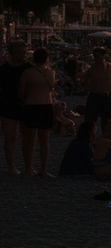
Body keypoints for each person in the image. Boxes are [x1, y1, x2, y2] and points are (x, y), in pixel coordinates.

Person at [18, 47, 56, 177]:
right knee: (44, 140)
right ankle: (43, 169)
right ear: (47, 58)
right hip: (46, 105)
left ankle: (28, 168)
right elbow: (52, 87)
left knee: (30, 139)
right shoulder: (50, 73)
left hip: (31, 105)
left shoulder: (27, 73)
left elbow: (21, 93)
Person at [0, 41, 31, 176]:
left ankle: (28, 166)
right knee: (10, 138)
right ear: (12, 54)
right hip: (8, 106)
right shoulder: (3, 69)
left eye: (24, 52)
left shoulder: (29, 68)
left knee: (28, 138)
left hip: (26, 106)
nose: (23, 55)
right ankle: (11, 167)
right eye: (20, 52)